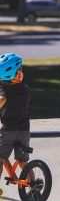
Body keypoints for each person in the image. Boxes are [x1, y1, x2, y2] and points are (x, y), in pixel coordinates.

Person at [0, 53, 32, 191]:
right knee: (23, 162)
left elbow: (2, 100)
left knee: (0, 159)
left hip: (8, 131)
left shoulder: (4, 90)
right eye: (20, 69)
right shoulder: (25, 90)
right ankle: (34, 185)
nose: (22, 72)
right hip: (24, 131)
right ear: (15, 73)